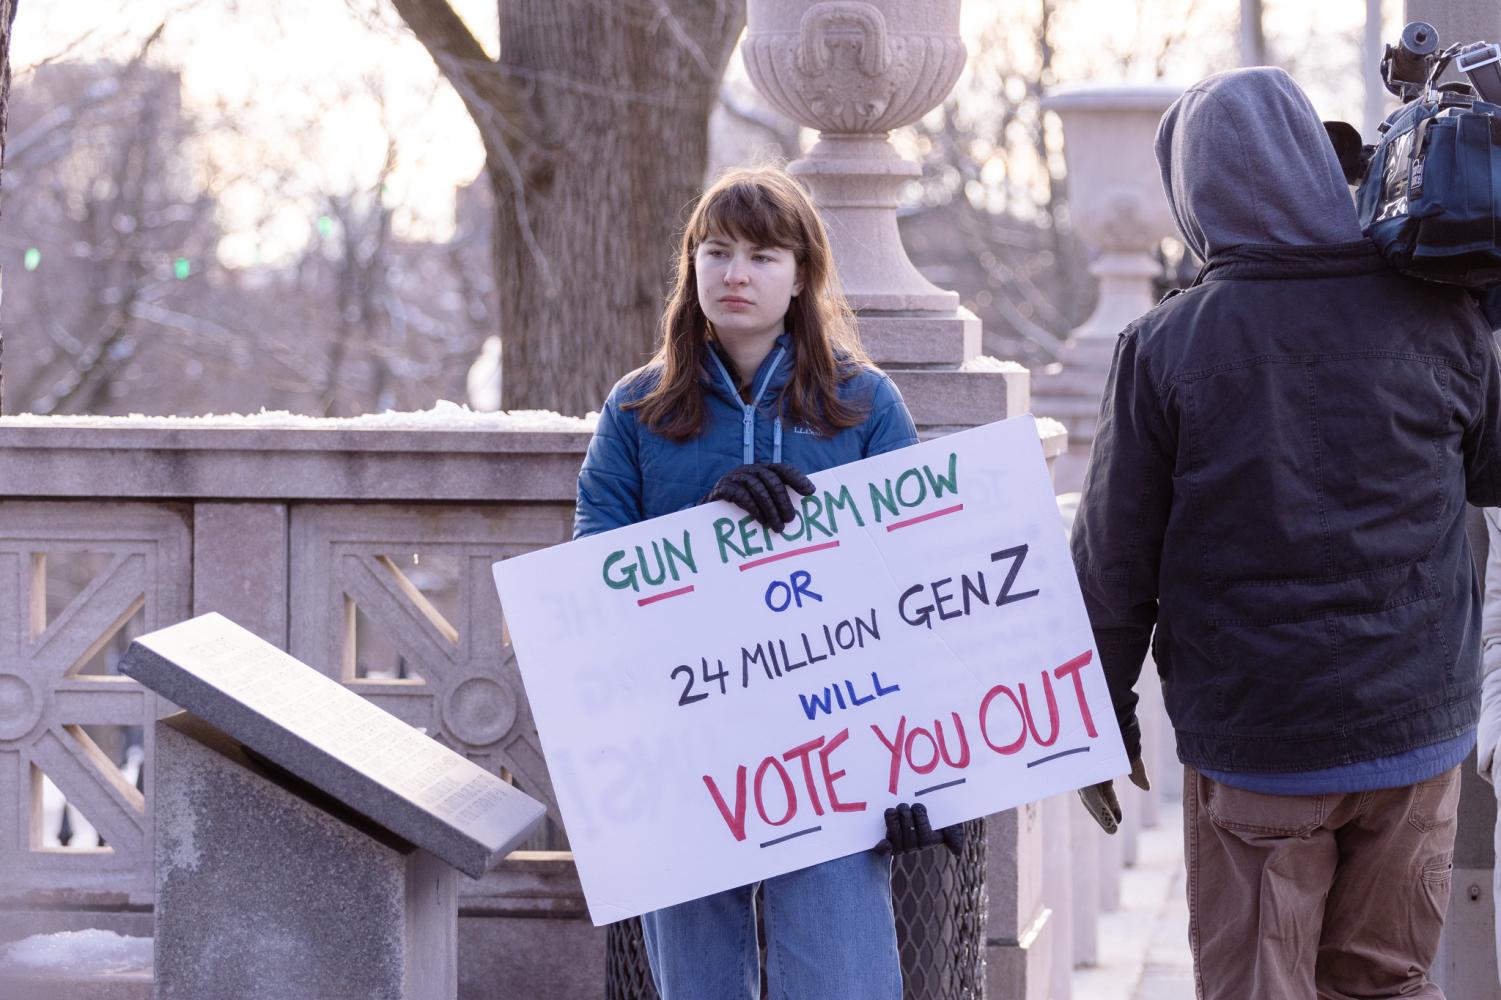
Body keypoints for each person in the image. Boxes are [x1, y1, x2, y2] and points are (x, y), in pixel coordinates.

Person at [1071, 67, 1501, 999]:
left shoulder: (1165, 345)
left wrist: (1098, 723)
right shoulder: (1443, 315)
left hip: (1259, 746)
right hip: (1416, 735)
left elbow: (1113, 565)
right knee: (1387, 982)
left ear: (1194, 198)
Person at [573, 166, 956, 999]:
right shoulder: (636, 410)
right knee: (698, 985)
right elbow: (591, 578)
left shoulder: (862, 404)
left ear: (801, 276)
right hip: (683, 749)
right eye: (716, 252)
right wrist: (701, 539)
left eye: (761, 255)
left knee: (838, 980)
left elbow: (920, 583)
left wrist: (921, 772)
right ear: (692, 268)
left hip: (834, 747)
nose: (735, 274)